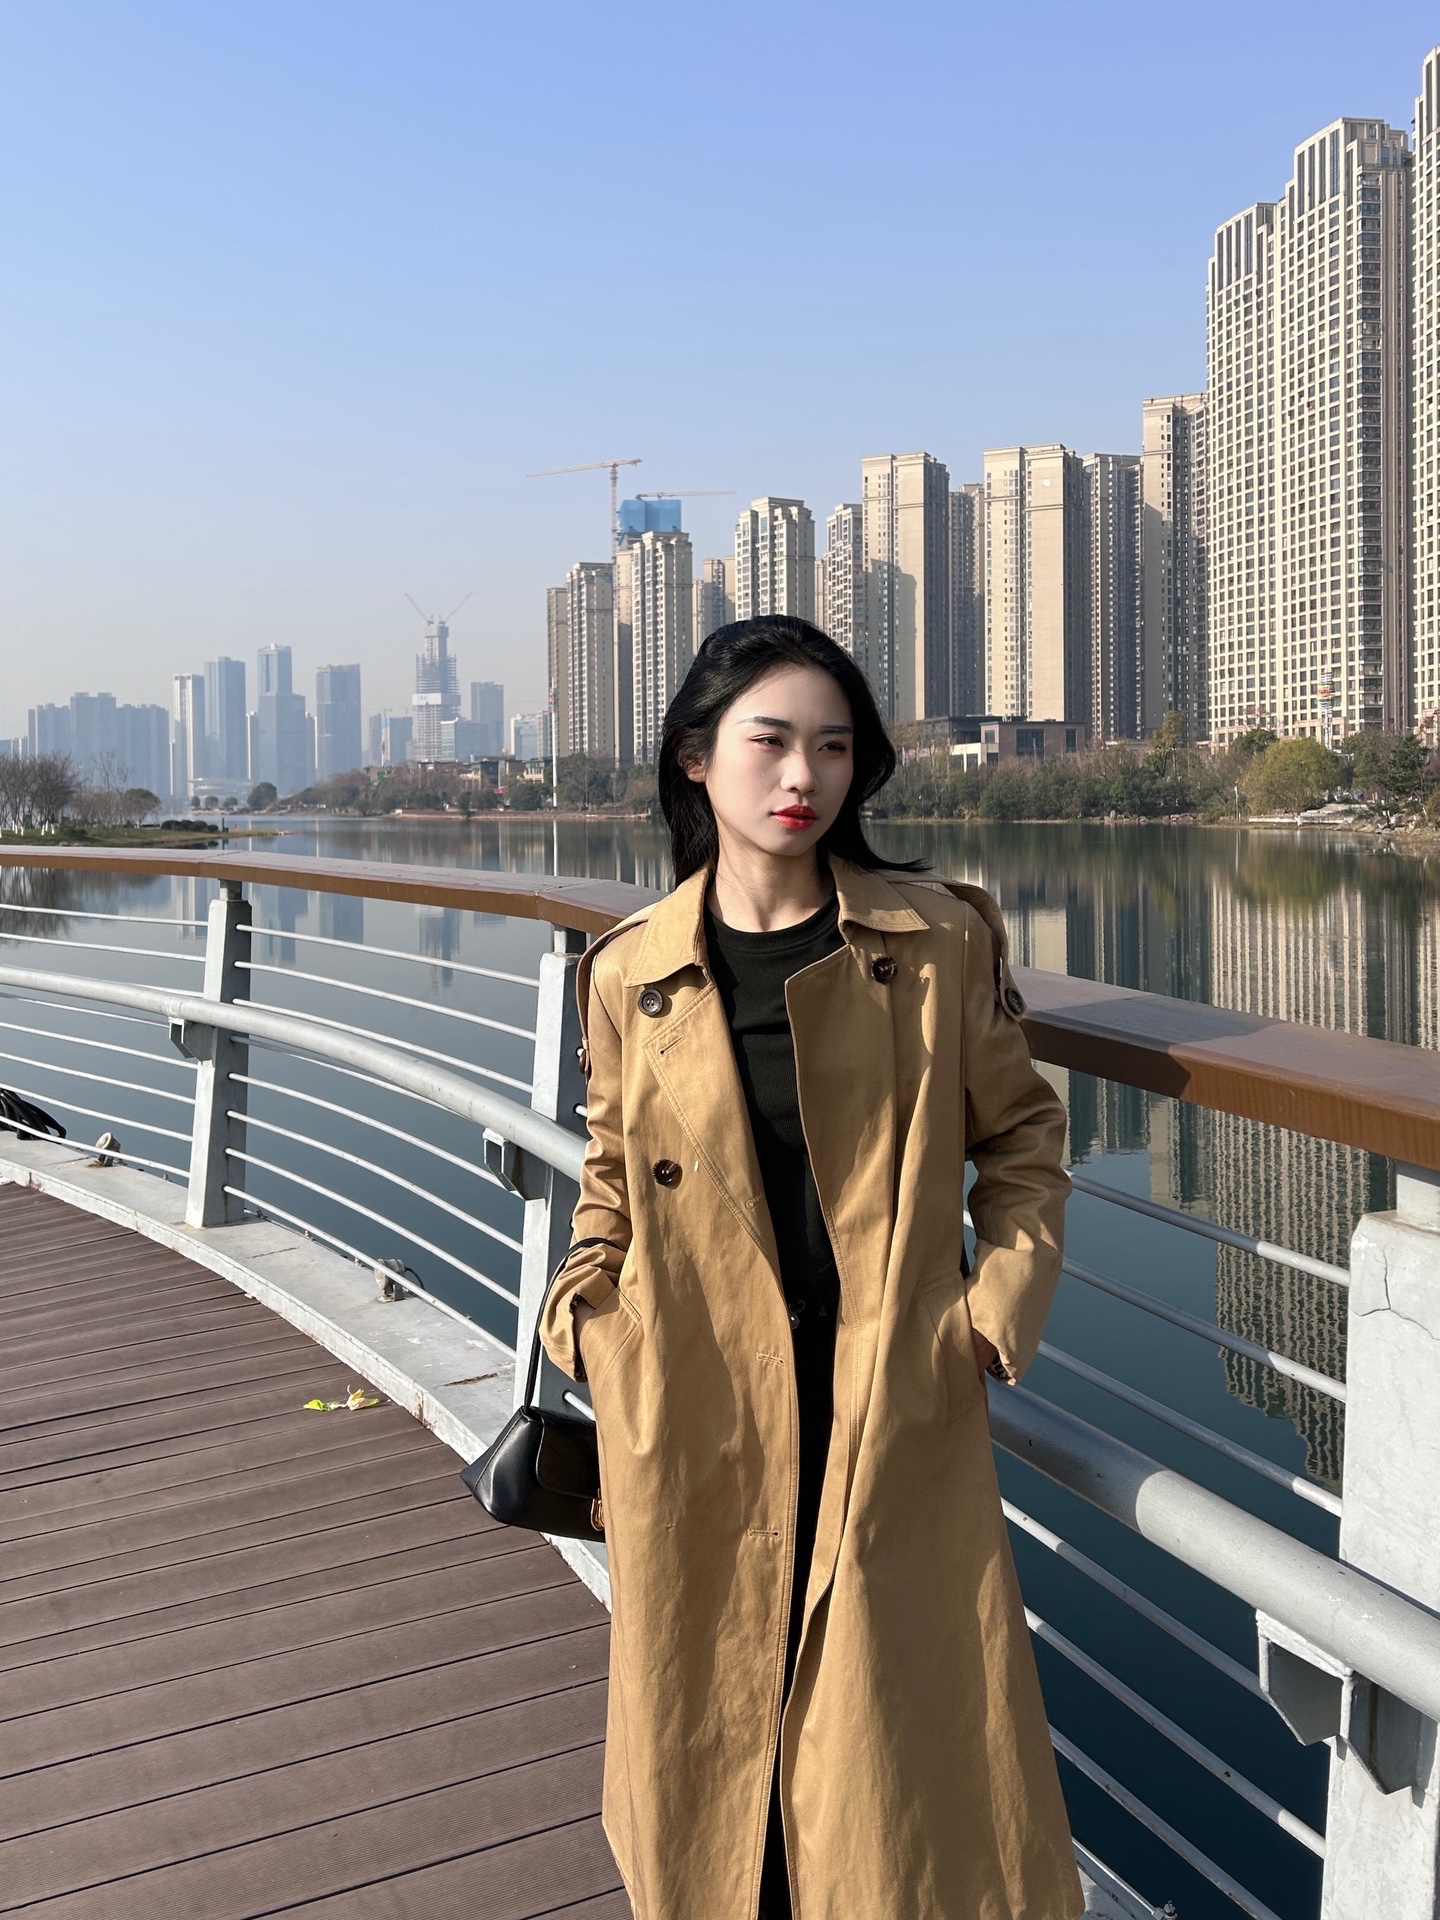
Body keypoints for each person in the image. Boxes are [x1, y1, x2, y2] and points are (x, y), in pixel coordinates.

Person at [540, 616, 1083, 1920]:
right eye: (772, 741)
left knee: (888, 1762)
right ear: (694, 757)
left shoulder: (934, 941)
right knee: (715, 1737)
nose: (804, 776)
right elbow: (610, 1175)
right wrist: (589, 1317)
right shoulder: (633, 970)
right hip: (697, 1396)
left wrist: (992, 1311)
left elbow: (1022, 1138)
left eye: (834, 747)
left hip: (884, 1391)